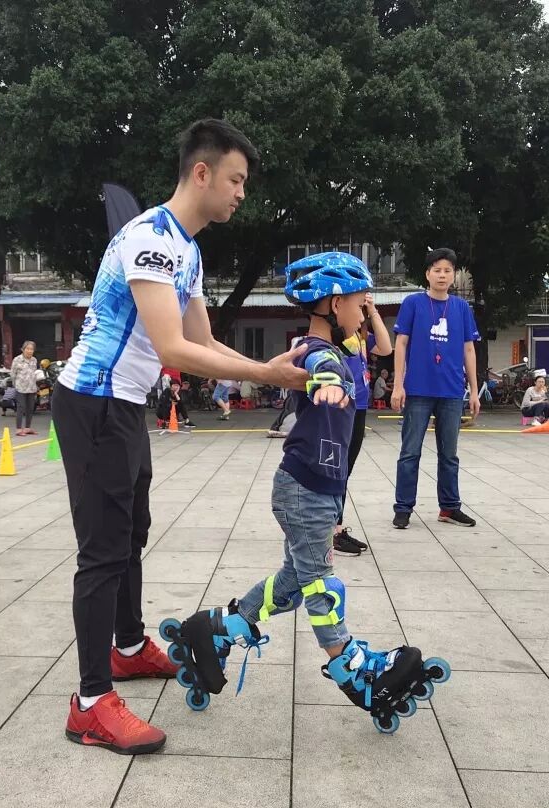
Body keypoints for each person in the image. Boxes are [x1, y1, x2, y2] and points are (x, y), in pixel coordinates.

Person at [54, 118, 308, 755]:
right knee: (102, 551)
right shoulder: (150, 239)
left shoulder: (187, 251)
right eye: (235, 180)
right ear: (202, 173)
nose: (241, 194)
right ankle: (90, 704)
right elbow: (173, 348)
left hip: (124, 405)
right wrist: (265, 375)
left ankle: (128, 647)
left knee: (132, 532)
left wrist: (265, 369)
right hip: (93, 402)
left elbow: (203, 339)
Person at [164, 253, 444, 732]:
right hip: (305, 489)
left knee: (293, 583)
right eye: (358, 302)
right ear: (335, 304)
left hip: (318, 487)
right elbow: (320, 363)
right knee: (320, 585)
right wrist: (329, 383)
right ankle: (353, 671)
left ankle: (216, 629)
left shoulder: (342, 344)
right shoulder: (315, 350)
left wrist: (354, 346)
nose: (363, 310)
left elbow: (368, 346)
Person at [391, 248, 480, 530]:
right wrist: (398, 385)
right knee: (410, 452)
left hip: (451, 390)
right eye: (437, 270)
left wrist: (474, 390)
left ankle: (449, 507)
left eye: (447, 270)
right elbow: (401, 344)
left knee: (449, 454)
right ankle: (403, 508)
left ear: (454, 275)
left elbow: (469, 349)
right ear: (427, 274)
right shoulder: (413, 303)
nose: (442, 275)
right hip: (418, 389)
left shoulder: (461, 308)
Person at [333, 291, 394, 555]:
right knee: (336, 471)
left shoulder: (361, 338)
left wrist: (373, 311)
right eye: (357, 307)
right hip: (342, 409)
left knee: (344, 471)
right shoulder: (338, 339)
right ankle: (331, 531)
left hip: (359, 408)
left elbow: (386, 347)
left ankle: (336, 527)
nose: (360, 314)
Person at [9, 340, 40, 436]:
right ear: (23, 349)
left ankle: (27, 428)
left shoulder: (34, 360)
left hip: (32, 387)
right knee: (21, 407)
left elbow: (35, 372)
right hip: (21, 387)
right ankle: (18, 429)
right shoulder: (17, 359)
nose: (29, 351)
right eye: (28, 349)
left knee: (30, 408)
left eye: (31, 349)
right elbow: (12, 374)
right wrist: (15, 384)